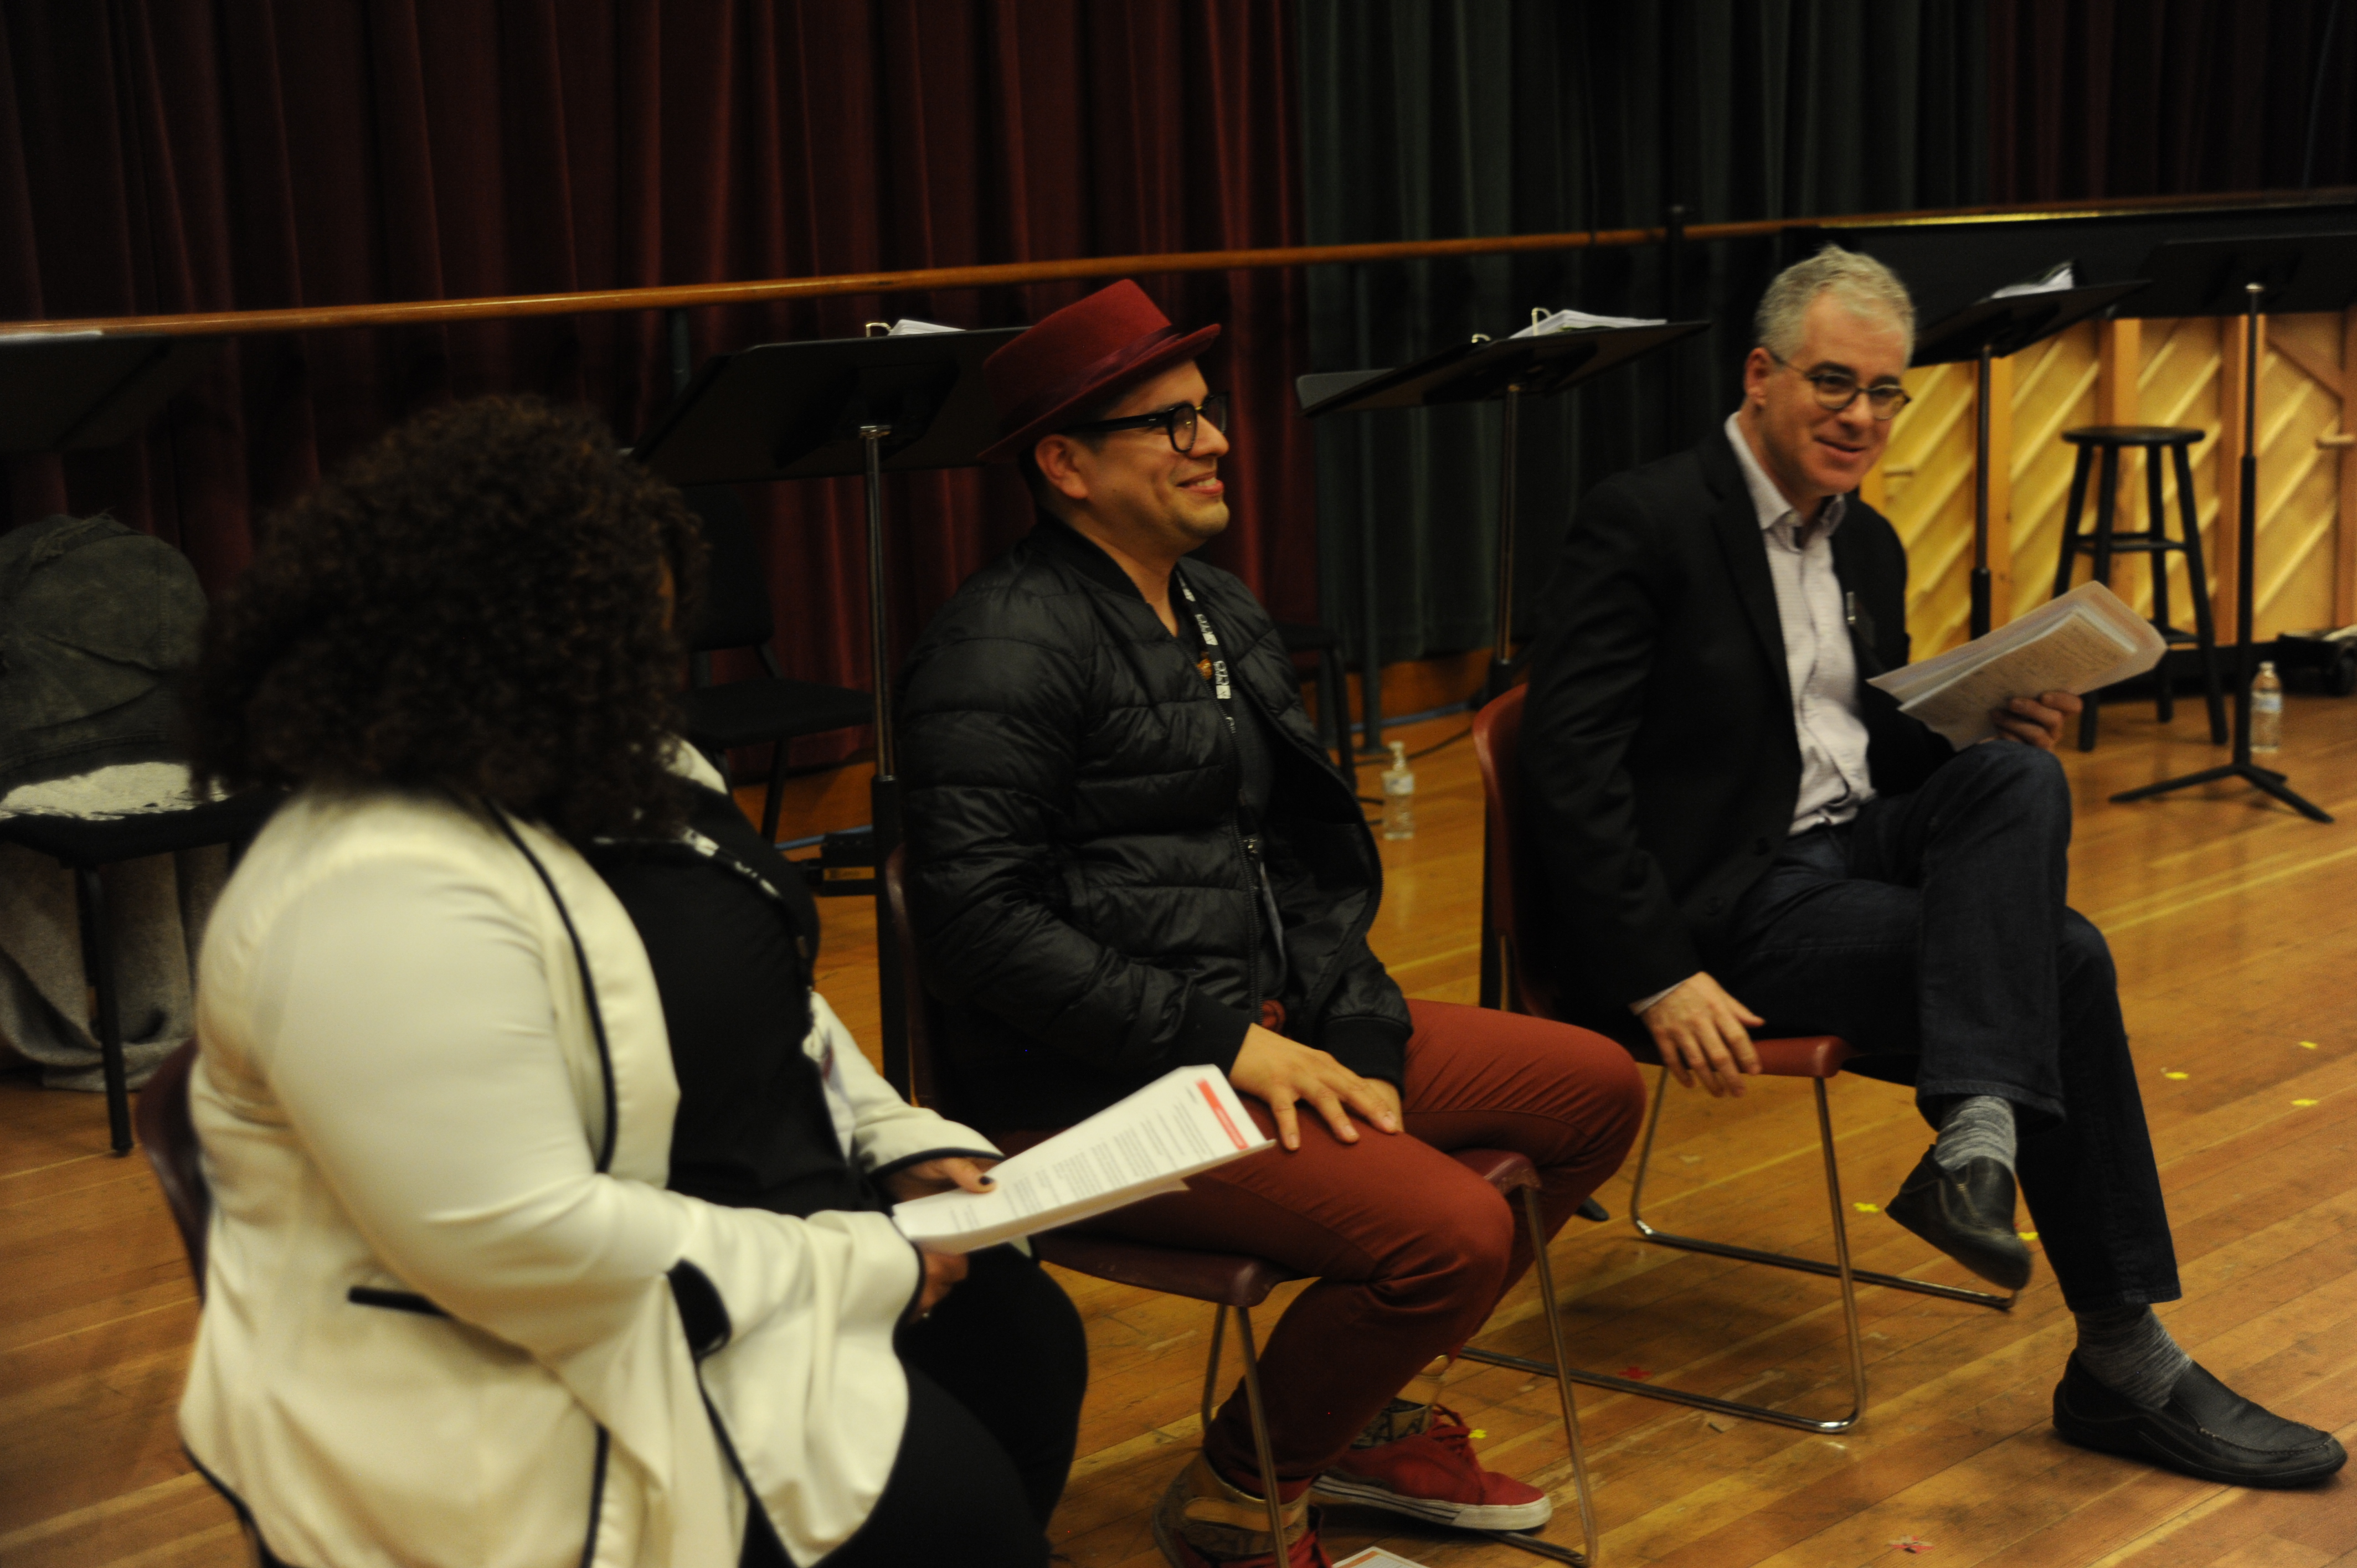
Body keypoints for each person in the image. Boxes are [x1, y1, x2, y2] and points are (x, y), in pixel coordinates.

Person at [179, 396, 1084, 1568]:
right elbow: (521, 1242)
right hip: (506, 1367)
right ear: (464, 644)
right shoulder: (375, 889)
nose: (650, 686)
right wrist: (865, 1264)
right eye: (618, 649)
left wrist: (887, 1131)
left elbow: (769, 994)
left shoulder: (605, 753)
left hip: (717, 1238)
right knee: (947, 1514)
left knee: (1019, 1339)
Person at [1519, 245, 2345, 1488]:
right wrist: (1655, 979)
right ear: (1760, 375)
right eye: (1834, 384)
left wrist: (1984, 713)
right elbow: (1564, 774)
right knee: (2061, 960)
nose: (1861, 417)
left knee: (2015, 777)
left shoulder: (1871, 546)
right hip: (1730, 910)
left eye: (1886, 392)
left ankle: (1977, 1141)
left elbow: (1869, 750)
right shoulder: (1646, 521)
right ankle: (2112, 1345)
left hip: (1852, 849)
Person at [899, 280, 1647, 1568]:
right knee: (1450, 1230)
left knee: (1588, 1088)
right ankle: (1247, 1493)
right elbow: (976, 921)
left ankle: (1357, 1417)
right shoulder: (1002, 641)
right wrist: (1229, 1046)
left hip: (1255, 1022)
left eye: (1207, 413)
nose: (1215, 443)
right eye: (1168, 424)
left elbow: (1300, 865)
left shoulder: (1218, 607)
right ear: (1065, 466)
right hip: (1089, 1080)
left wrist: (1349, 1030)